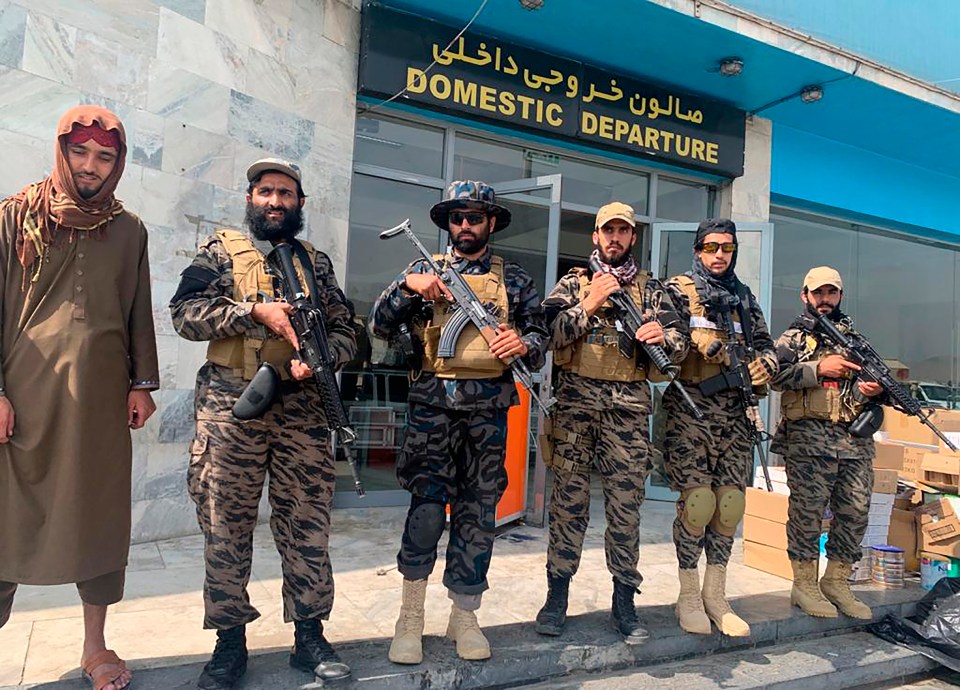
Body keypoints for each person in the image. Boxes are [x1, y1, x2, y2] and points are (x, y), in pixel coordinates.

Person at [170, 158, 356, 689]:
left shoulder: (315, 264)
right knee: (225, 526)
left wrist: (321, 360)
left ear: (300, 204)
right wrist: (253, 311)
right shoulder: (219, 253)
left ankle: (310, 636)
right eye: (266, 191)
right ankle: (229, 642)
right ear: (251, 198)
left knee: (307, 527)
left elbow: (348, 332)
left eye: (286, 193)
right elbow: (185, 313)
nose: (276, 201)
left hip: (302, 409)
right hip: (232, 407)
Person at [0, 106, 159, 690]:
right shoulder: (15, 216)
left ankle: (95, 647)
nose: (91, 166)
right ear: (61, 150)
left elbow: (138, 307)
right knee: (5, 520)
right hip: (21, 399)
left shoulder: (129, 229)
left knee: (98, 520)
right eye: (81, 152)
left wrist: (142, 382)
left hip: (100, 403)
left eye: (105, 156)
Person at [369, 180, 548, 664]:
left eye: (474, 217)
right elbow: (379, 326)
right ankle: (410, 616)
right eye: (457, 218)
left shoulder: (515, 280)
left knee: (477, 515)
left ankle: (465, 614)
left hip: (488, 413)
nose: (464, 226)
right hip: (432, 409)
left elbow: (539, 330)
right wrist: (407, 287)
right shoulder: (424, 269)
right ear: (447, 224)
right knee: (427, 511)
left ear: (491, 222)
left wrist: (524, 344)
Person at [535, 202, 688, 642]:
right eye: (608, 231)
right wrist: (589, 304)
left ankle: (624, 601)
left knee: (626, 509)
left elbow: (679, 343)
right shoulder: (573, 282)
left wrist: (664, 337)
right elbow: (547, 334)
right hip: (576, 409)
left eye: (623, 231)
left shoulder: (652, 290)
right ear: (596, 236)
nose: (615, 238)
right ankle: (557, 596)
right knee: (568, 507)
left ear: (633, 237)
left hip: (628, 414)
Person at [662, 218, 778, 638]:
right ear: (697, 249)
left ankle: (717, 593)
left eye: (727, 248)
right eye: (711, 247)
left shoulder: (744, 298)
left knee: (729, 505)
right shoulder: (678, 290)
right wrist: (697, 340)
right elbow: (664, 340)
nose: (719, 255)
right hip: (692, 411)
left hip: (735, 415)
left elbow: (766, 345)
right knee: (698, 504)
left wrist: (767, 364)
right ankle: (688, 593)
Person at [769, 266, 881, 620]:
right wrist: (819, 369)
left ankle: (836, 581)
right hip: (809, 442)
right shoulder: (794, 338)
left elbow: (880, 381)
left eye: (831, 293)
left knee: (855, 512)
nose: (825, 300)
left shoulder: (856, 339)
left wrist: (874, 389)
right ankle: (804, 585)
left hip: (854, 443)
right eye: (818, 293)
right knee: (807, 515)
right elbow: (772, 375)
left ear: (840, 297)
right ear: (805, 296)